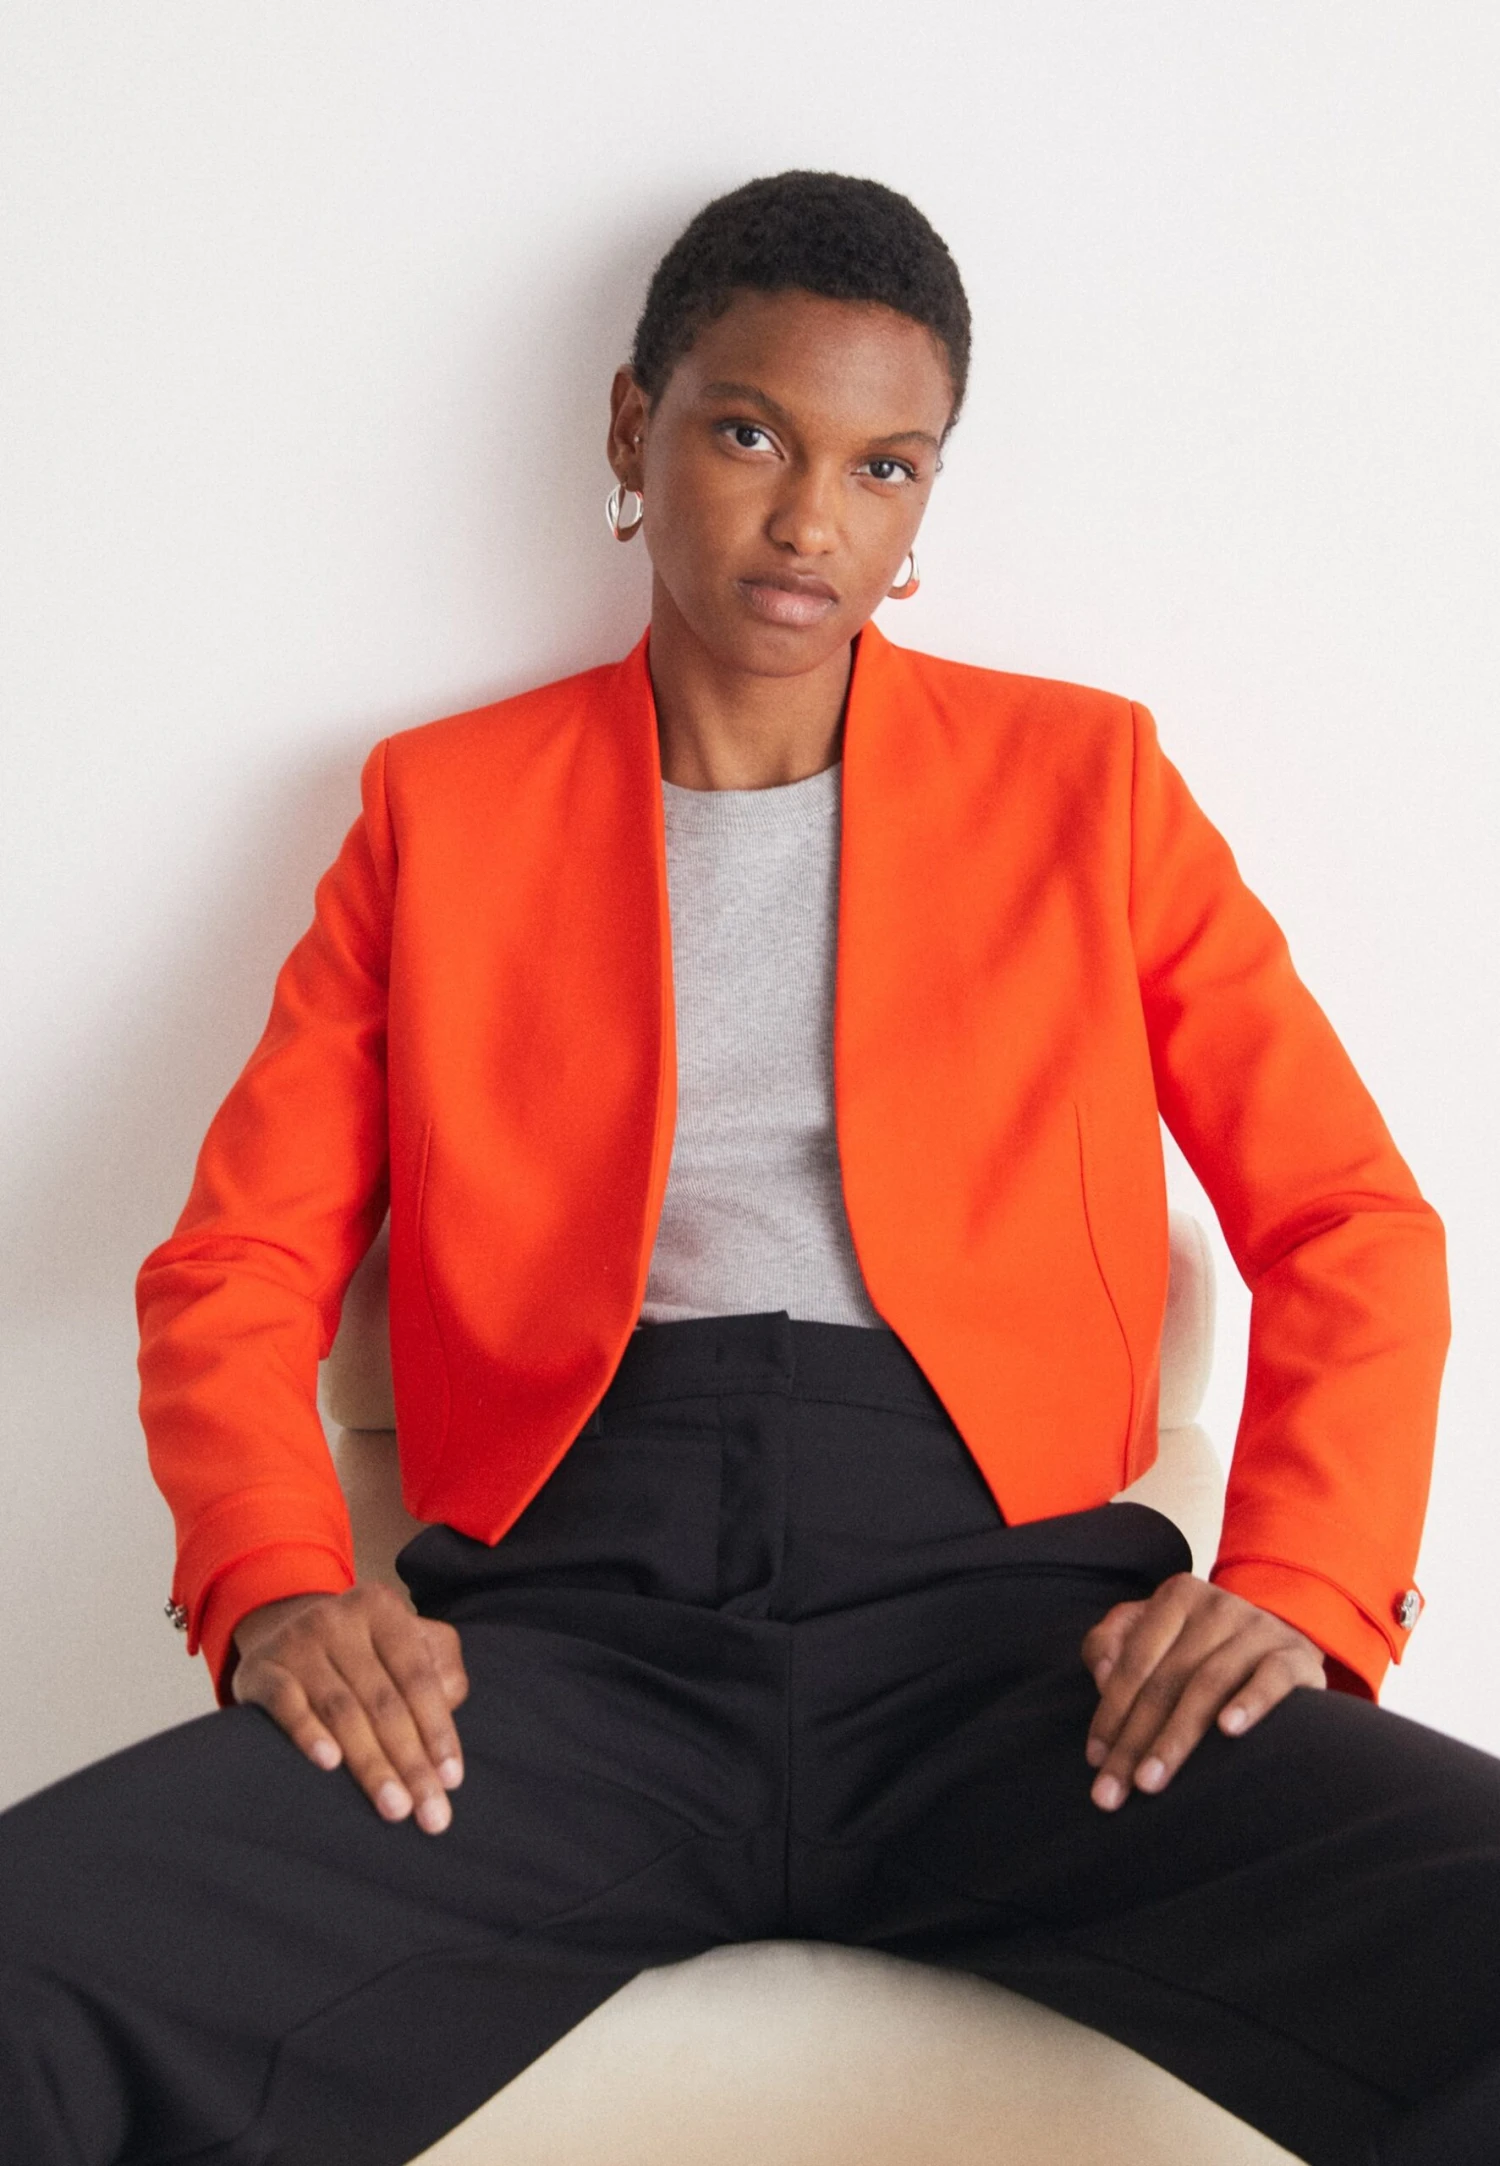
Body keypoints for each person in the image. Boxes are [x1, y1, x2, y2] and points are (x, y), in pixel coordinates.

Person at [1, 169, 1495, 2166]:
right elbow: (235, 1265)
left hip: (1026, 1656)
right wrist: (279, 1591)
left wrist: (1299, 1586)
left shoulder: (1091, 786)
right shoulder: (441, 812)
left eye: (885, 468)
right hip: (558, 1658)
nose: (812, 524)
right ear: (636, 430)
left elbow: (1350, 1220)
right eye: (749, 435)